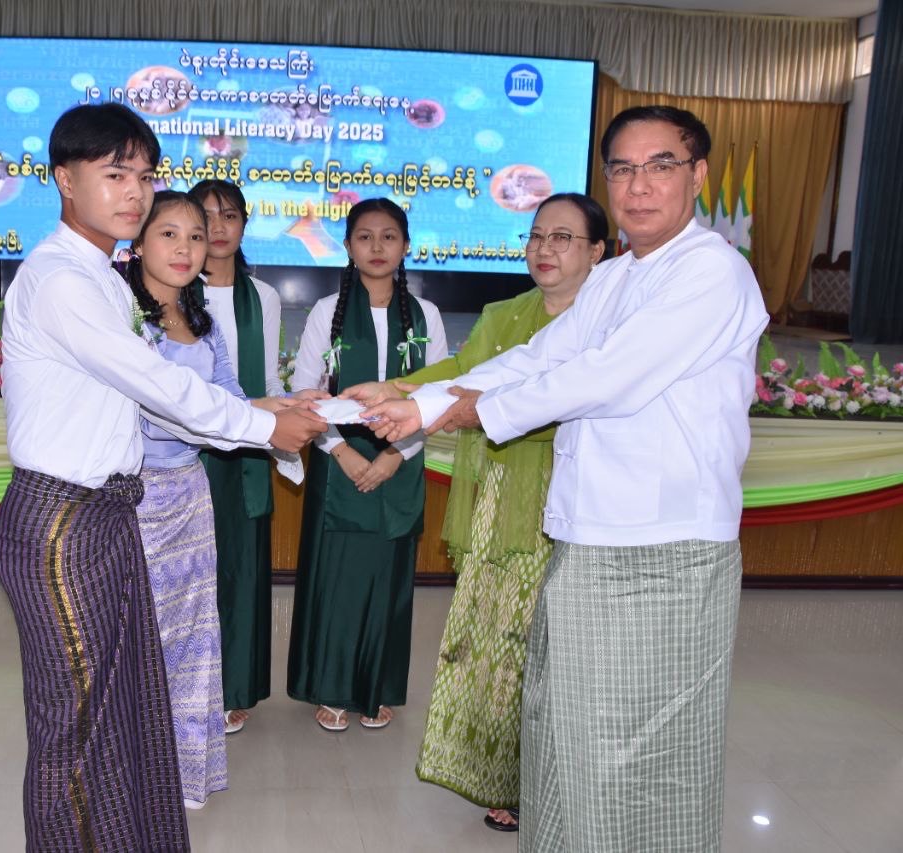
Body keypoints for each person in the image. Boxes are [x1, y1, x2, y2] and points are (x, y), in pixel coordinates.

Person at [348, 106, 768, 851]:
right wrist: (421, 400)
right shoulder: (615, 278)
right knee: (566, 734)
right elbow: (540, 358)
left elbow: (605, 377)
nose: (639, 185)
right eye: (623, 169)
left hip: (663, 547)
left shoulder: (711, 271)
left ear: (698, 175)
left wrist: (465, 411)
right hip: (587, 535)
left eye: (661, 165)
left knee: (644, 752)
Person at [0, 103, 326, 852]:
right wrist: (262, 429)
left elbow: (160, 404)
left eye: (144, 176)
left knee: (117, 711)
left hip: (107, 512)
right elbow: (159, 384)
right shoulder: (61, 280)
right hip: (63, 522)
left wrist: (267, 408)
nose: (135, 193)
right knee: (73, 725)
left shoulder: (104, 279)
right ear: (64, 179)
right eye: (115, 174)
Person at [406, 193, 606, 832]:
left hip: (579, 497)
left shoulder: (612, 322)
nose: (545, 249)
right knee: (497, 638)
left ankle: (557, 778)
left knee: (558, 645)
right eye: (537, 236)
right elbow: (465, 373)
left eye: (563, 238)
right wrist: (397, 390)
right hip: (503, 497)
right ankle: (504, 776)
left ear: (598, 252)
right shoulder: (503, 313)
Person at [125, 190, 299, 810]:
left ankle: (183, 773)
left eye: (195, 236)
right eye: (169, 234)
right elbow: (163, 412)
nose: (185, 248)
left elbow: (228, 398)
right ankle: (135, 771)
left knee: (194, 636)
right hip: (137, 499)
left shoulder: (202, 322)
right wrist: (264, 426)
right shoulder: (127, 321)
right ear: (138, 242)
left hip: (191, 495)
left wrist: (289, 408)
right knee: (142, 636)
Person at [287, 198, 447, 732]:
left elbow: (438, 395)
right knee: (339, 581)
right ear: (348, 246)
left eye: (389, 237)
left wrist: (395, 456)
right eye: (364, 237)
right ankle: (333, 688)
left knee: (388, 583)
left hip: (402, 460)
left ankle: (376, 687)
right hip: (339, 460)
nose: (377, 247)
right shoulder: (325, 311)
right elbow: (304, 392)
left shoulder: (426, 315)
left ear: (406, 246)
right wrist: (344, 452)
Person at [186, 179, 285, 736]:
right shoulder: (174, 290)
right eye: (205, 217)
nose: (218, 227)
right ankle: (187, 685)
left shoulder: (262, 296)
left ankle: (233, 687)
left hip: (245, 453)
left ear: (245, 224)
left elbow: (266, 379)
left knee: (240, 571)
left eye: (229, 216)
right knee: (193, 573)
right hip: (188, 452)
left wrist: (286, 423)